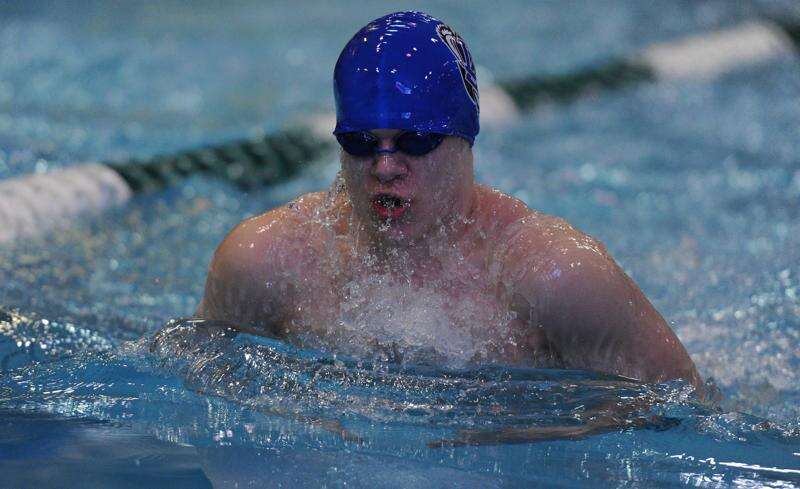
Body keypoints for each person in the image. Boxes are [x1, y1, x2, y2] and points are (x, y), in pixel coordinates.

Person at [197, 11, 702, 392]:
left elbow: (681, 410)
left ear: (465, 139)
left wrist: (522, 432)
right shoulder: (267, 262)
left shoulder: (553, 276)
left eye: (415, 141)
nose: (385, 167)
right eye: (361, 142)